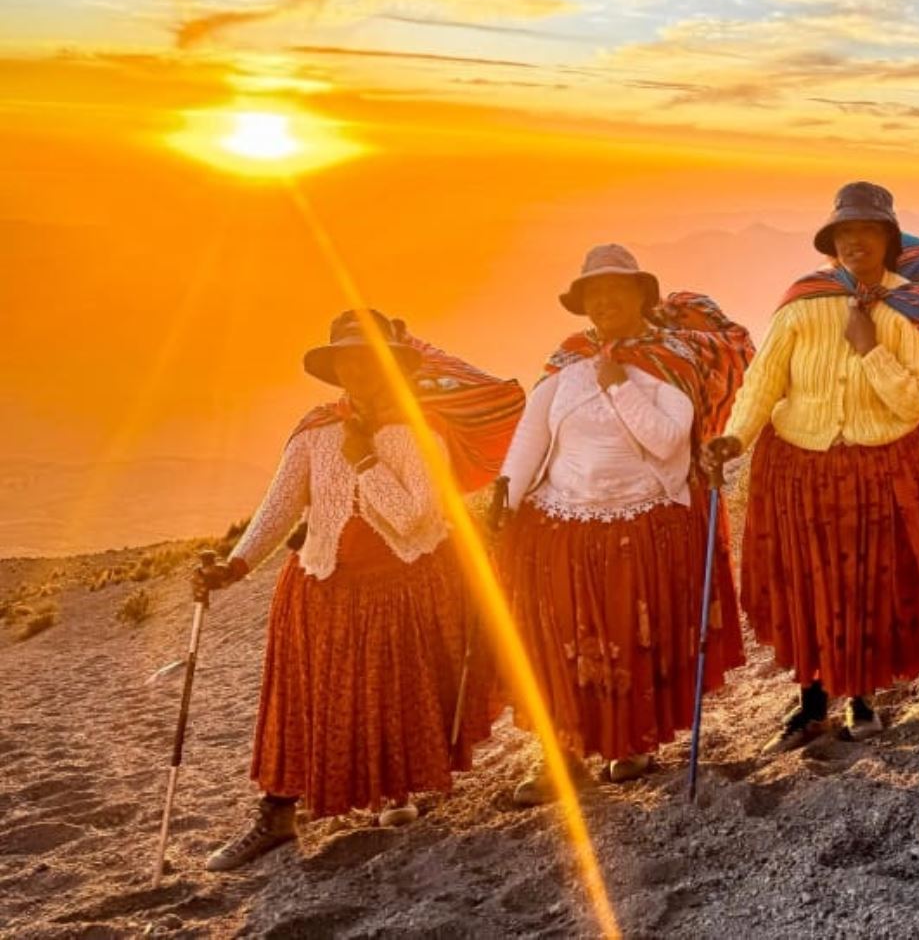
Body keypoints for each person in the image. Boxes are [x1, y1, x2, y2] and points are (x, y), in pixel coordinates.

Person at [194, 310, 497, 869]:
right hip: (322, 584)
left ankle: (395, 793)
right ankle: (277, 813)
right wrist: (235, 567)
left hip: (401, 584)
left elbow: (409, 517)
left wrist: (363, 457)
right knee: (301, 701)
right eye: (347, 359)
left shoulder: (420, 431)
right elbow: (279, 506)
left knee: (392, 692)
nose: (357, 369)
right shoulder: (315, 429)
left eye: (369, 358)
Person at [704, 183, 919, 752]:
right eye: (845, 233)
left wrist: (869, 348)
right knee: (809, 582)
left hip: (879, 466)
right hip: (801, 465)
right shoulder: (802, 302)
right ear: (832, 243)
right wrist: (734, 438)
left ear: (890, 241)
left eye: (867, 231)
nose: (855, 241)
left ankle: (862, 698)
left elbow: (915, 401)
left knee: (870, 584)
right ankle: (812, 703)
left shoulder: (911, 307)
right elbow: (763, 381)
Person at [498, 245, 752, 803]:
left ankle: (630, 745)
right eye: (594, 292)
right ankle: (561, 756)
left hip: (641, 521)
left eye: (616, 288)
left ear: (641, 295)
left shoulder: (671, 358)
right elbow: (532, 436)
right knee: (564, 643)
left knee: (631, 637)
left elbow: (667, 442)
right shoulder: (566, 360)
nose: (604, 300)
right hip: (562, 523)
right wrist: (506, 500)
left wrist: (617, 383)